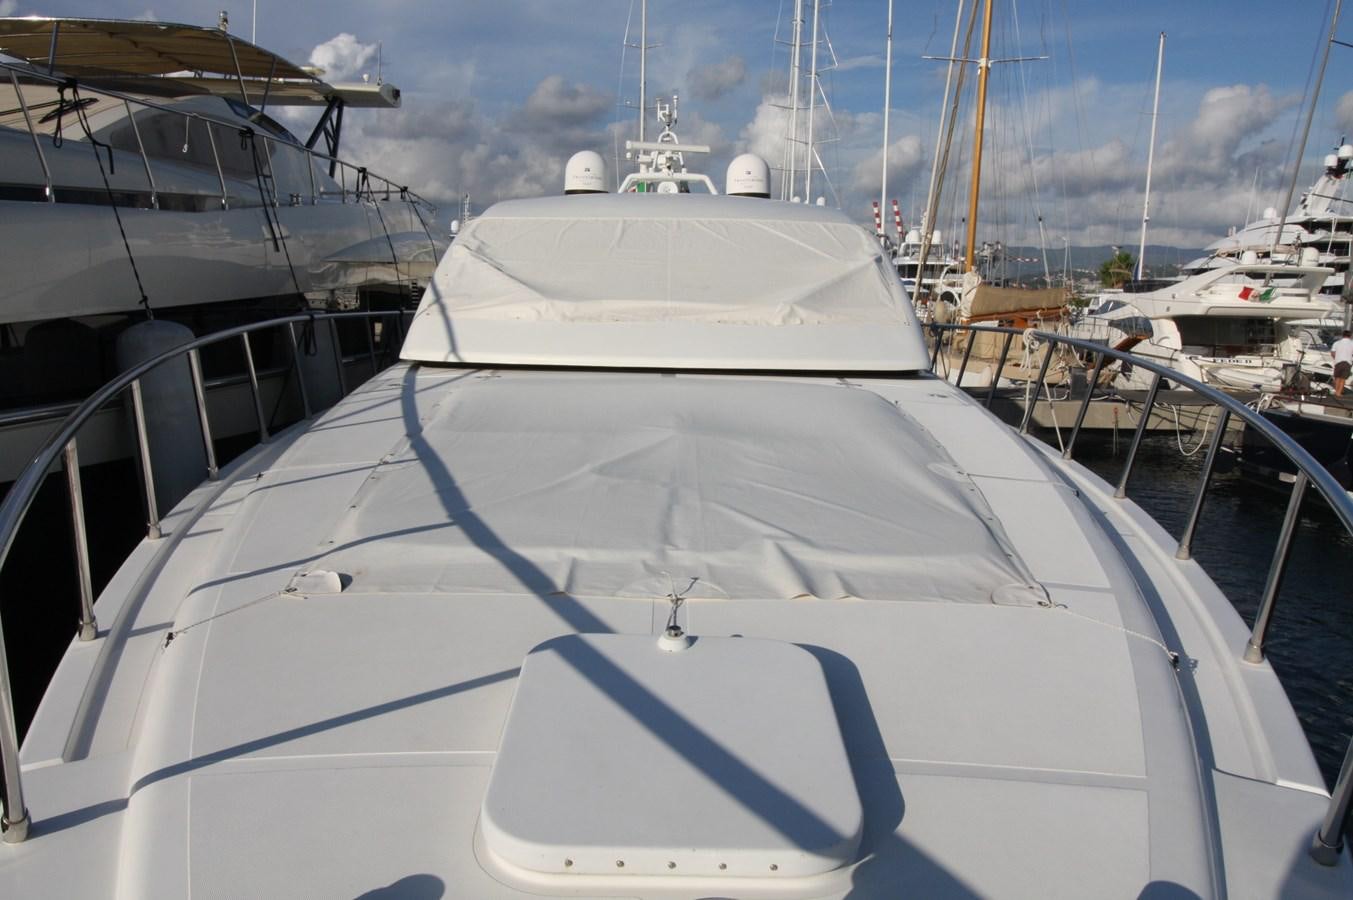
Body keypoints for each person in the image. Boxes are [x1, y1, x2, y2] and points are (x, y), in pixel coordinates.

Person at [1332, 329, 1353, 396]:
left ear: (1342, 335)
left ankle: (1336, 391)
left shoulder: (1337, 343)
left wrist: (1336, 358)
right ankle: (1339, 393)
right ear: (1350, 336)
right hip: (1347, 362)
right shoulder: (1352, 343)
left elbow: (1332, 353)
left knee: (1337, 377)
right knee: (1343, 379)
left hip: (1338, 362)